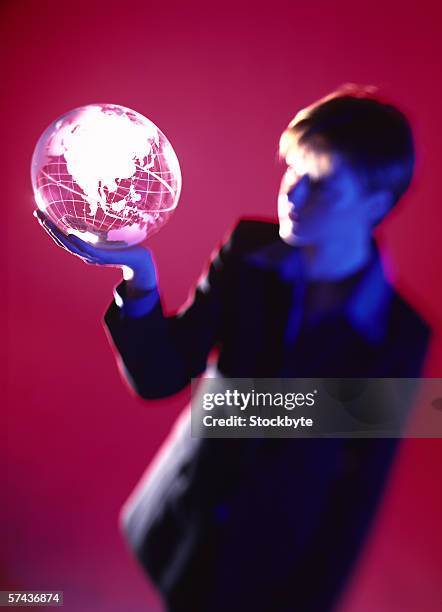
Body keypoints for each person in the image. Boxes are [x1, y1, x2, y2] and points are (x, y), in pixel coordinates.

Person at [36, 87, 431, 612]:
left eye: (323, 185)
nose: (292, 196)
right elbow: (161, 378)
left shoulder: (398, 334)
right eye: (293, 171)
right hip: (182, 517)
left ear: (377, 204)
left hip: (268, 563)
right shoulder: (247, 251)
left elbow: (356, 498)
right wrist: (140, 275)